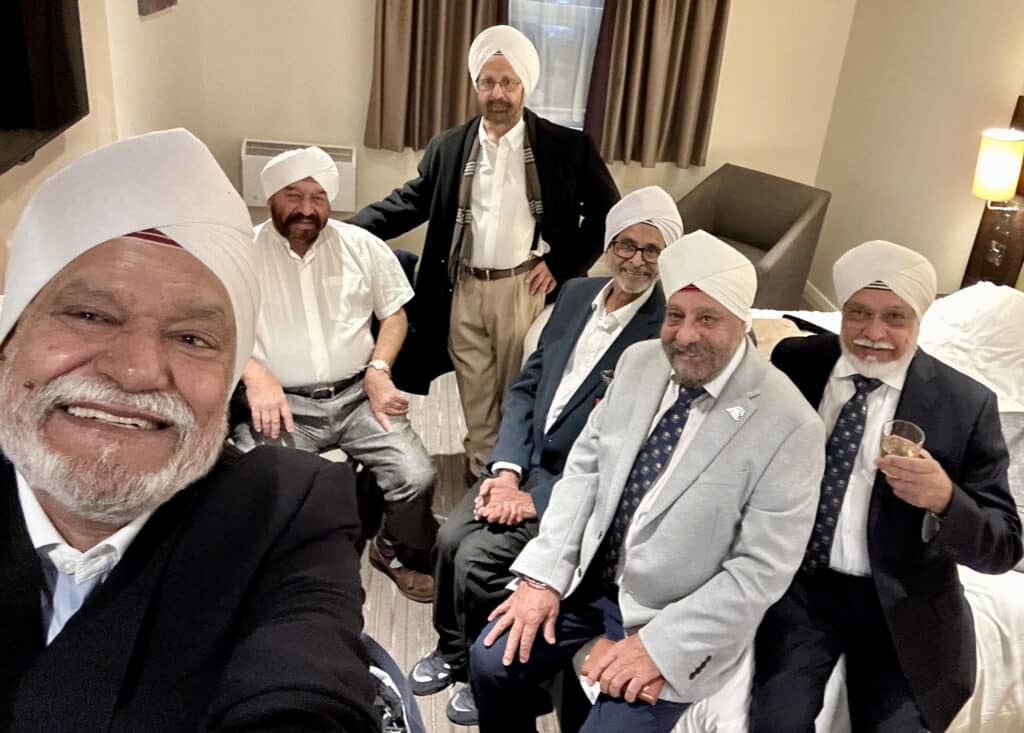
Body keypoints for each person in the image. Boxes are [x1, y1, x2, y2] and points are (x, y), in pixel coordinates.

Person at [0, 129, 377, 731]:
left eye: (192, 338)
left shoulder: (287, 509)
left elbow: (308, 676)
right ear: (8, 338)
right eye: (90, 315)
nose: (136, 370)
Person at [468, 231, 826, 733]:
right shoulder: (638, 363)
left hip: (670, 613)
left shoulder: (790, 425)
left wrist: (659, 647)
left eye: (708, 318)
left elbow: (761, 569)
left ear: (743, 324)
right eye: (676, 316)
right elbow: (585, 473)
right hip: (588, 578)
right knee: (489, 664)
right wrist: (545, 576)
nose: (684, 335)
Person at [411, 187, 682, 725]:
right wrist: (506, 468)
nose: (637, 260)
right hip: (525, 462)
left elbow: (631, 457)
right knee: (447, 539)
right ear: (608, 246)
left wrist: (535, 500)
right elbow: (525, 388)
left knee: (478, 561)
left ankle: (498, 676)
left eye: (653, 251)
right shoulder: (579, 293)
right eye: (627, 245)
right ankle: (455, 653)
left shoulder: (664, 330)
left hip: (575, 488)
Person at [749, 240, 1023, 733]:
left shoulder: (965, 406)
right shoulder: (798, 362)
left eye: (895, 317)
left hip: (901, 601)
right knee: (775, 719)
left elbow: (1004, 545)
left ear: (918, 319)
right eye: (858, 313)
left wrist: (944, 499)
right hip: (803, 589)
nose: (873, 333)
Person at [349, 24, 620, 480]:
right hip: (463, 285)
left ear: (524, 86)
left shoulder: (565, 147)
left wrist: (560, 263)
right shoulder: (450, 146)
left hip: (523, 287)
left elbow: (605, 212)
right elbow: (411, 200)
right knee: (472, 385)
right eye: (488, 82)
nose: (497, 93)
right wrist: (347, 230)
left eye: (507, 82)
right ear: (476, 85)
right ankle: (481, 467)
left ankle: (513, 466)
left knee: (515, 386)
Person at [233, 146, 438, 603]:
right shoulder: (240, 254)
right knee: (260, 487)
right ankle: (291, 564)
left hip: (358, 396)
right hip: (285, 405)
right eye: (294, 195)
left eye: (319, 197)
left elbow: (395, 315)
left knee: (416, 476)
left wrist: (380, 370)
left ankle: (394, 547)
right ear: (269, 198)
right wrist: (254, 374)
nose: (307, 209)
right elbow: (215, 327)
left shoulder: (360, 245)